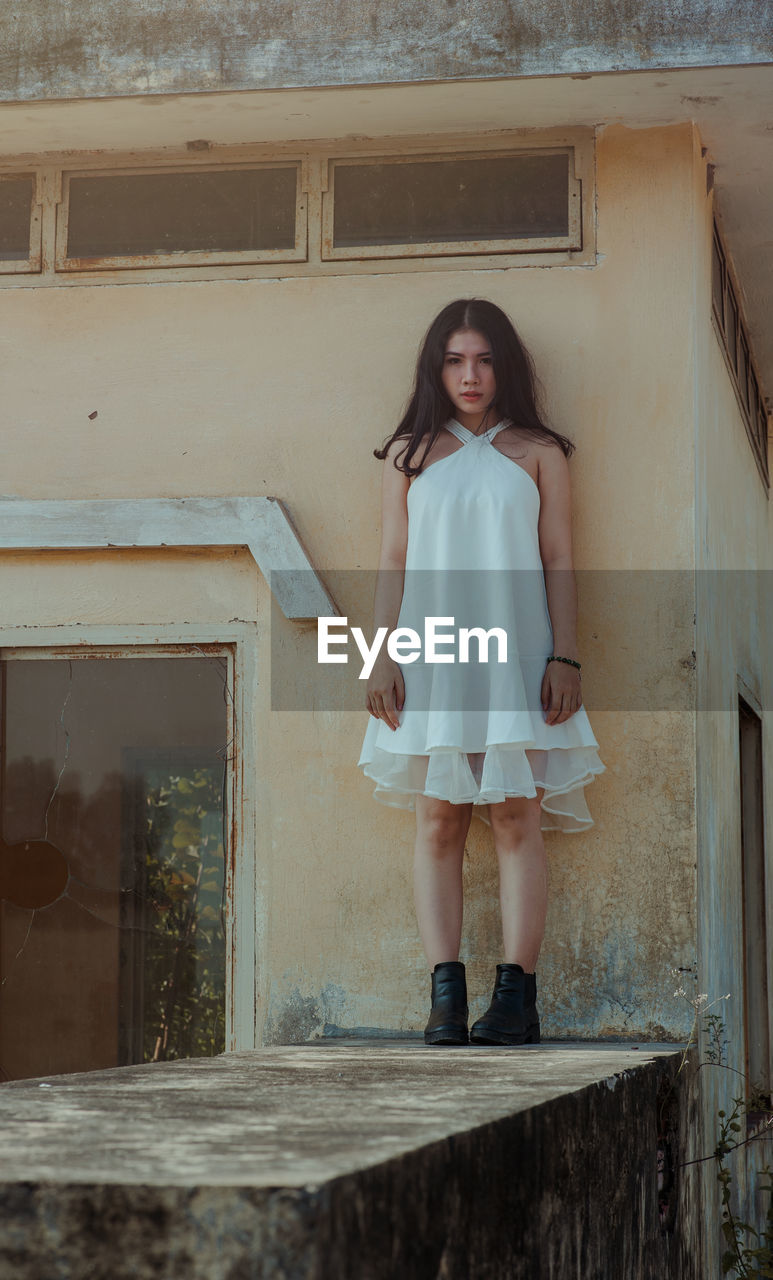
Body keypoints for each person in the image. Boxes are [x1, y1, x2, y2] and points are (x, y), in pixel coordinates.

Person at [357, 298, 605, 1047]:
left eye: (485, 359)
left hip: (517, 655)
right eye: (456, 359)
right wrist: (377, 658)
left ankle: (515, 1000)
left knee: (514, 815)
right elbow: (391, 561)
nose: (470, 374)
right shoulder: (408, 454)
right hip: (431, 656)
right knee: (437, 819)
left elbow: (559, 558)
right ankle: (445, 999)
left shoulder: (538, 453)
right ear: (437, 367)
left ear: (505, 367)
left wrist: (564, 655)